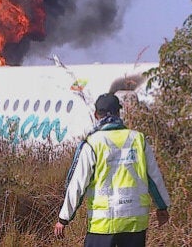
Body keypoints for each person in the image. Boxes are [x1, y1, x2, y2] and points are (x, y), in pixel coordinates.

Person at [54, 93, 170, 246]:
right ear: (119, 113)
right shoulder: (138, 140)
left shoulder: (92, 144)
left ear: (96, 115)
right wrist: (162, 208)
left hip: (103, 224)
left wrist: (64, 219)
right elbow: (154, 178)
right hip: (134, 222)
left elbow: (78, 185)